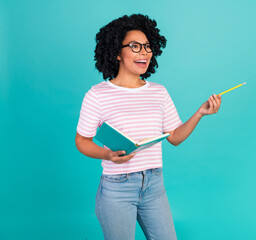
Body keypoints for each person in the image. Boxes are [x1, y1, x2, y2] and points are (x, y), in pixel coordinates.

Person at [75, 13, 221, 240]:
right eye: (135, 46)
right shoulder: (97, 95)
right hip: (117, 188)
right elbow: (82, 141)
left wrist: (200, 113)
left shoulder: (158, 92)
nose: (144, 52)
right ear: (116, 52)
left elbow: (174, 137)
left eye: (147, 46)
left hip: (154, 184)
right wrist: (108, 154)